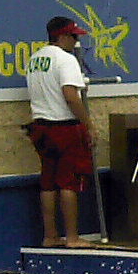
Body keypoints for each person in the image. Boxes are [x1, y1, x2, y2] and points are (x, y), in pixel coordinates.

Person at [24, 15, 96, 248]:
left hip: (40, 127)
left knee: (48, 182)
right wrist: (88, 124)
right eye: (73, 36)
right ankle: (72, 237)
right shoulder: (65, 60)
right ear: (63, 36)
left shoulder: (35, 59)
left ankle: (50, 235)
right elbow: (70, 96)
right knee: (69, 182)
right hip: (64, 127)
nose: (76, 42)